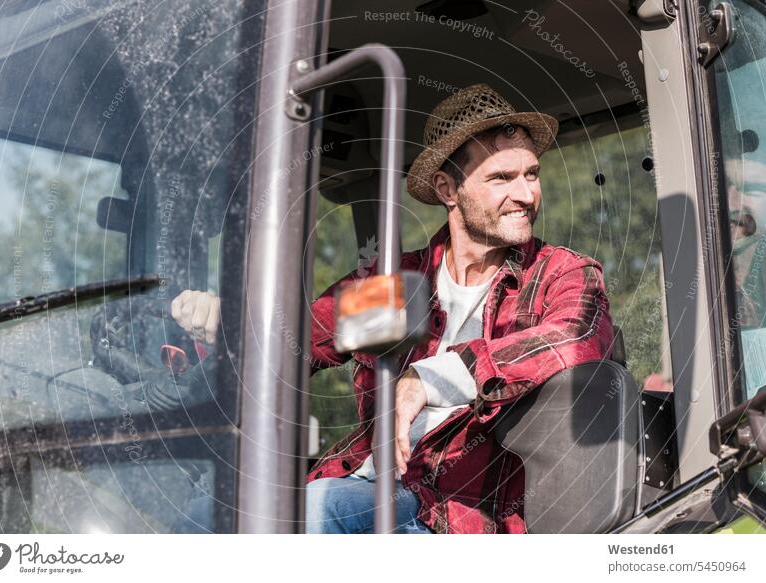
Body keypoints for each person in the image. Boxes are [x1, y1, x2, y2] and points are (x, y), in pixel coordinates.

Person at [171, 84, 615, 534]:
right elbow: (299, 339)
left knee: (316, 510)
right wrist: (228, 322)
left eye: (531, 174)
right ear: (447, 189)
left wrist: (429, 377)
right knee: (208, 512)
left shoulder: (561, 275)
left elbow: (575, 339)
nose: (526, 194)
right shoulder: (396, 287)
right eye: (501, 178)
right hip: (365, 487)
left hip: (452, 516)